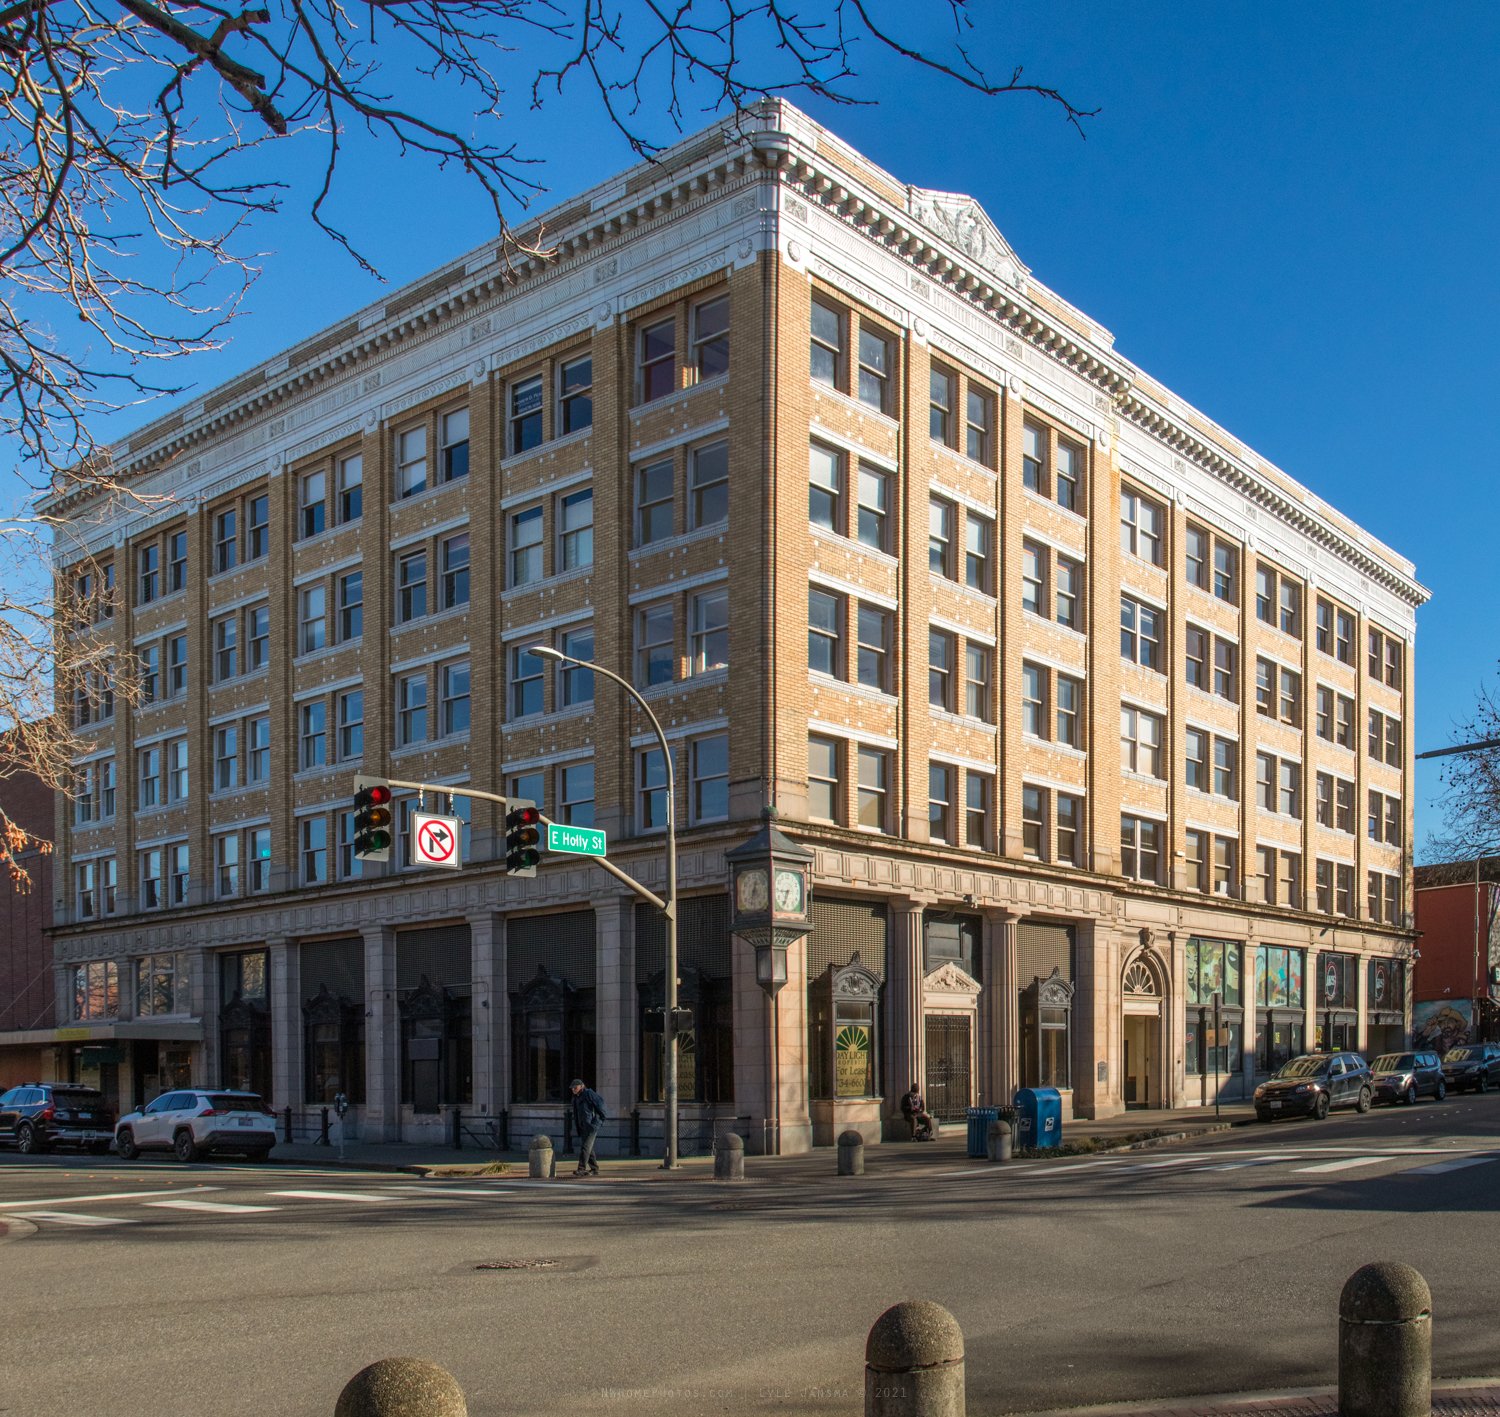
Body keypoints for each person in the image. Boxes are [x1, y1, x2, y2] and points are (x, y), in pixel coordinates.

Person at [569, 1078, 608, 1176]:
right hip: (583, 1126)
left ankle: (581, 1168)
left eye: (575, 1087)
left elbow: (601, 1105)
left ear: (581, 1086)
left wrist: (599, 1121)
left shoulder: (589, 1093)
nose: (573, 1089)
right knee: (588, 1148)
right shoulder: (575, 1097)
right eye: (572, 1088)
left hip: (591, 1126)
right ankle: (595, 1169)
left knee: (585, 1147)